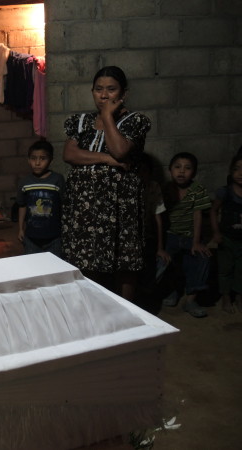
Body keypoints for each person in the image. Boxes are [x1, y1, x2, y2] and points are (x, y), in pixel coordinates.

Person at [61, 66, 151, 301]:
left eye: (111, 90)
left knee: (125, 261)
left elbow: (120, 150)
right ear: (92, 92)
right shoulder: (80, 122)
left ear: (123, 93)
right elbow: (70, 154)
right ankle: (92, 308)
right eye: (98, 89)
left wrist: (109, 117)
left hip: (121, 206)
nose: (104, 95)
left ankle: (127, 313)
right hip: (85, 207)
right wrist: (106, 159)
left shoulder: (135, 121)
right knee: (87, 259)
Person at [161, 152, 212, 318]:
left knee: (202, 258)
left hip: (191, 236)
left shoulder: (198, 190)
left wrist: (196, 242)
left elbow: (198, 215)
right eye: (177, 167)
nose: (182, 171)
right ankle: (174, 291)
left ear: (194, 173)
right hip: (171, 235)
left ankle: (191, 299)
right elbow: (161, 217)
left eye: (187, 168)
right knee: (166, 262)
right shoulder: (166, 190)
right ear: (170, 170)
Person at [16, 139, 65, 257]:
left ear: (51, 160)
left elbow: (64, 206)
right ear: (28, 160)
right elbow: (22, 206)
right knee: (33, 267)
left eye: (43, 158)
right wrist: (21, 229)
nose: (37, 163)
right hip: (31, 238)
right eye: (33, 158)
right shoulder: (25, 183)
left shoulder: (57, 180)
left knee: (54, 268)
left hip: (54, 237)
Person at [136, 153, 170, 313]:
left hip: (147, 235)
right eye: (138, 171)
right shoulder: (127, 187)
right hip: (130, 238)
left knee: (151, 265)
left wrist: (160, 247)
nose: (141, 175)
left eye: (144, 171)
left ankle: (146, 297)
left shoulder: (153, 187)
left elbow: (158, 218)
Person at [209, 151, 242, 313]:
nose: (240, 173)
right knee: (225, 269)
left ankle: (239, 295)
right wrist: (216, 232)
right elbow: (213, 211)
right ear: (231, 171)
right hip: (227, 238)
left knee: (240, 269)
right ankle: (226, 296)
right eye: (236, 169)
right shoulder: (225, 192)